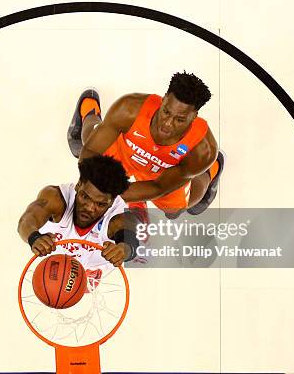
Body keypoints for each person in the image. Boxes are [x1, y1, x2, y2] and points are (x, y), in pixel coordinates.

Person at [66, 71, 225, 218]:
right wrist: (89, 185)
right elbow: (92, 150)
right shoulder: (129, 108)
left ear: (194, 116)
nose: (168, 124)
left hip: (163, 172)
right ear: (163, 100)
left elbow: (159, 187)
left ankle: (213, 168)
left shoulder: (203, 150)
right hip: (127, 150)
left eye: (180, 119)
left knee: (174, 211)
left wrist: (109, 195)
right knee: (90, 146)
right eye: (166, 112)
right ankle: (89, 109)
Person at [17, 155, 140, 274]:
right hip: (59, 262)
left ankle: (93, 273)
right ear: (78, 184)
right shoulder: (56, 197)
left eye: (100, 204)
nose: (89, 208)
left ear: (111, 202)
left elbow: (129, 240)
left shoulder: (119, 216)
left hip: (95, 266)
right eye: (85, 197)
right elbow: (27, 220)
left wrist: (125, 250)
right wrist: (34, 237)